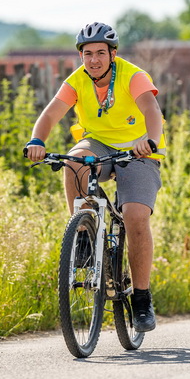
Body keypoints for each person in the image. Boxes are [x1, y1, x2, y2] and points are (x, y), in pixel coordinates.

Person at [24, 22, 166, 332]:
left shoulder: (133, 76)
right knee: (73, 162)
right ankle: (83, 235)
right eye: (88, 54)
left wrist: (151, 140)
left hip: (139, 150)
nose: (94, 60)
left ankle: (142, 299)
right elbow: (50, 114)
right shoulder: (77, 81)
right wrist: (37, 140)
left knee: (135, 216)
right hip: (98, 144)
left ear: (112, 54)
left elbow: (152, 110)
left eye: (101, 53)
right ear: (81, 56)